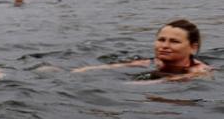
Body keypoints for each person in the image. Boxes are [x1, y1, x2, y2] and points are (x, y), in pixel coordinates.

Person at [73, 19, 213, 82]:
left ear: (193, 47)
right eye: (161, 40)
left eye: (174, 41)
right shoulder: (154, 62)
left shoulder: (199, 71)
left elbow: (173, 80)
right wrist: (88, 69)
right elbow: (119, 65)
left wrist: (138, 85)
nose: (165, 45)